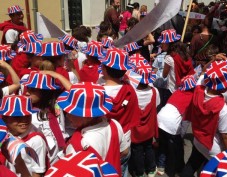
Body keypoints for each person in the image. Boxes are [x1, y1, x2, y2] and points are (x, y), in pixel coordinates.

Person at [180, 60, 227, 177]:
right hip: (213, 148)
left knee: (192, 164)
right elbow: (225, 136)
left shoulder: (198, 90)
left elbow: (203, 71)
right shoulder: (223, 109)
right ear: (224, 87)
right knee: (209, 172)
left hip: (197, 139)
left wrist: (213, 61)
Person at [58, 82, 127, 176]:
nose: (68, 116)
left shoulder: (78, 144)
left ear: (88, 115)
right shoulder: (115, 124)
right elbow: (124, 151)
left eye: (73, 112)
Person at [100, 48, 140, 177]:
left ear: (104, 69)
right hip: (124, 144)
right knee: (123, 170)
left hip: (105, 144)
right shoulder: (130, 90)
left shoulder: (98, 94)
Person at [21, 71, 72, 164]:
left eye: (33, 90)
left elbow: (74, 93)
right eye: (28, 88)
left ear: (44, 92)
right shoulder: (26, 112)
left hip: (60, 155)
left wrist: (57, 75)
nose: (27, 93)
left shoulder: (57, 104)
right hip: (42, 159)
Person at [157, 75, 197, 177]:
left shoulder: (177, 92)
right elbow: (185, 121)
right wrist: (180, 136)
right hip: (171, 124)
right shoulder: (191, 97)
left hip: (159, 119)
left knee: (163, 144)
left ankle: (161, 167)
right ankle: (178, 170)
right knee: (178, 149)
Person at [0, 95, 49, 176]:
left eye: (27, 115)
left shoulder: (37, 141)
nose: (24, 120)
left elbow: (37, 173)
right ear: (4, 118)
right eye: (17, 117)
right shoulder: (2, 133)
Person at [130, 59, 160, 177]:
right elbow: (156, 105)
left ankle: (139, 172)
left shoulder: (132, 92)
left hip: (136, 129)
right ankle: (152, 169)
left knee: (137, 150)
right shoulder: (154, 91)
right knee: (148, 148)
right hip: (149, 128)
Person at [159, 29, 195, 111]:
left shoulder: (169, 58)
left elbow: (164, 75)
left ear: (168, 44)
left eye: (163, 43)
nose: (161, 45)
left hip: (172, 90)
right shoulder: (184, 54)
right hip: (185, 88)